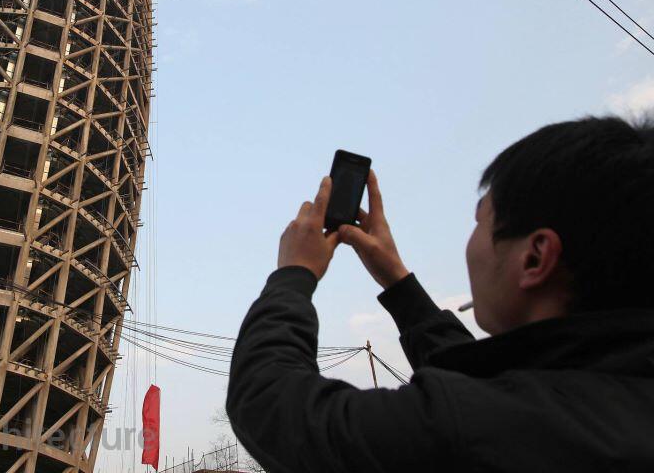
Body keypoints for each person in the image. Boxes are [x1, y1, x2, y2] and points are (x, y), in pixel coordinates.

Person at [226, 116, 654, 472]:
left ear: (535, 257)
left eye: (480, 222)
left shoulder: (482, 430)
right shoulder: (611, 399)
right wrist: (399, 284)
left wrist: (294, 275)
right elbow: (491, 383)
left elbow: (269, 404)